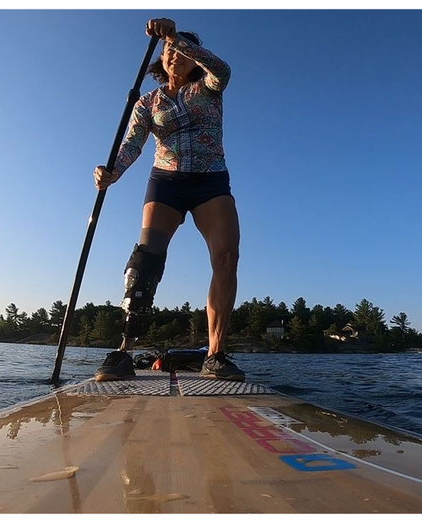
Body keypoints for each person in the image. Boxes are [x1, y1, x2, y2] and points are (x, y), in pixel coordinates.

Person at [93, 18, 244, 382]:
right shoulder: (147, 101)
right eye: (168, 51)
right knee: (147, 259)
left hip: (210, 182)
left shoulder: (210, 87)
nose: (173, 55)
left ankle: (216, 354)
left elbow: (222, 68)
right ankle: (124, 350)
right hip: (166, 182)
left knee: (226, 258)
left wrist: (176, 37)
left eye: (180, 51)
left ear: (194, 59)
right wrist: (114, 171)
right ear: (160, 59)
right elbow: (132, 144)